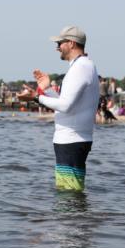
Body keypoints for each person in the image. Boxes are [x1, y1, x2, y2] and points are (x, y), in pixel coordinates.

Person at [17, 25, 99, 191]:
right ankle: (75, 218)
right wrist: (46, 90)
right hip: (72, 140)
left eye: (60, 43)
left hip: (72, 140)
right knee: (69, 194)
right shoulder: (82, 66)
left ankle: (72, 218)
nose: (57, 48)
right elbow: (65, 103)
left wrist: (36, 97)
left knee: (69, 196)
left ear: (71, 43)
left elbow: (66, 106)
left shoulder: (80, 68)